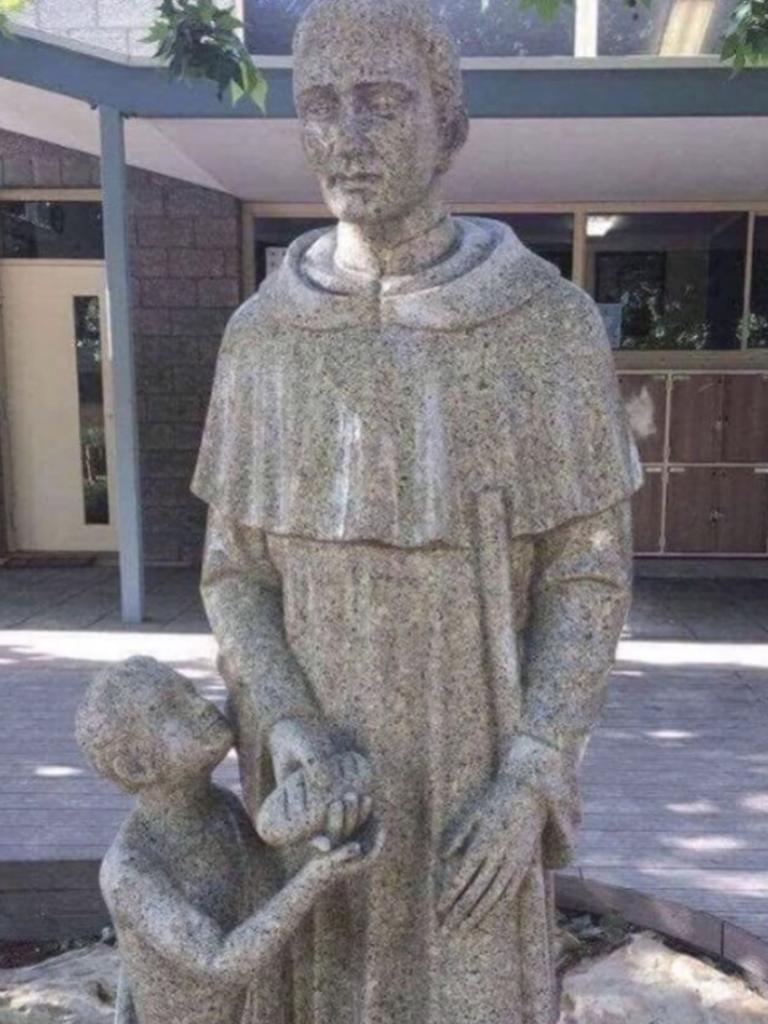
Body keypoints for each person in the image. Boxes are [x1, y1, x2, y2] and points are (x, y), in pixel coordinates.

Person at [192, 1, 641, 1021]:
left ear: (449, 122)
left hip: (471, 754)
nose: (348, 135)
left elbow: (587, 571)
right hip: (315, 769)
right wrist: (292, 725)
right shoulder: (262, 337)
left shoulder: (545, 326)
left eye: (384, 101)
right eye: (321, 105)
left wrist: (530, 773)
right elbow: (236, 576)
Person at [75, 656, 376, 1024]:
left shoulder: (221, 807)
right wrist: (313, 879)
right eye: (172, 708)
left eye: (191, 690)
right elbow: (220, 960)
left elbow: (266, 889)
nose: (201, 706)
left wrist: (322, 835)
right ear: (136, 766)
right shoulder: (131, 869)